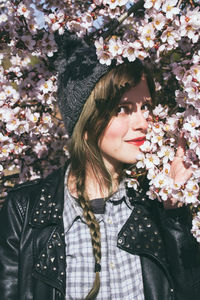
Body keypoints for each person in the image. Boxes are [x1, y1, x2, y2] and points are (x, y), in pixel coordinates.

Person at [0, 32, 200, 300]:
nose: (143, 122)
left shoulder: (153, 202)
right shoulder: (24, 210)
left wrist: (174, 208)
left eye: (146, 107)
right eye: (123, 108)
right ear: (87, 124)